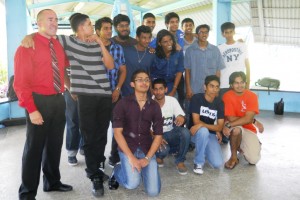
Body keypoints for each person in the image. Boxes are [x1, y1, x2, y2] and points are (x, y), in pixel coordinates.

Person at [14, 9, 72, 199]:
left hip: (58, 99)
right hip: (38, 101)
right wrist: (32, 109)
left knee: (54, 145)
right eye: (50, 19)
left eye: (56, 19)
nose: (54, 22)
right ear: (39, 23)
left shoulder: (58, 44)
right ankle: (27, 193)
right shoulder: (27, 46)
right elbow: (20, 83)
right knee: (34, 149)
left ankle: (52, 182)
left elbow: (64, 67)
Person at [109, 69, 163, 197]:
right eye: (140, 80)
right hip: (128, 147)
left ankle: (147, 170)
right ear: (132, 84)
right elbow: (117, 133)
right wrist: (131, 158)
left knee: (153, 192)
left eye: (146, 80)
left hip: (146, 148)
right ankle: (117, 169)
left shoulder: (154, 106)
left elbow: (158, 135)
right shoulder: (122, 104)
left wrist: (148, 158)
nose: (144, 82)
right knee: (132, 184)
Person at [95, 17, 127, 169]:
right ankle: (99, 158)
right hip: (97, 96)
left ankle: (114, 156)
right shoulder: (91, 47)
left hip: (115, 95)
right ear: (97, 31)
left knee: (117, 127)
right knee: (100, 129)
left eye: (110, 28)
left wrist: (118, 89)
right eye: (105, 28)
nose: (109, 31)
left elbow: (122, 70)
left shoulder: (117, 48)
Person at [222, 71, 263, 170]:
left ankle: (245, 144)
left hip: (248, 129)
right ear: (231, 85)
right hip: (235, 126)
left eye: (242, 82)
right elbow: (231, 118)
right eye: (236, 83)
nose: (240, 85)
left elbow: (248, 118)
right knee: (236, 130)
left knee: (253, 160)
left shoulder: (252, 96)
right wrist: (252, 121)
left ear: (245, 83)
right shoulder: (227, 96)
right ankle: (233, 157)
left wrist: (250, 121)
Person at [152, 78, 190, 175]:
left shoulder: (172, 100)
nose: (158, 92)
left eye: (161, 89)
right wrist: (156, 137)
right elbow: (144, 127)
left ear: (166, 89)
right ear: (152, 91)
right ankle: (159, 156)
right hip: (154, 136)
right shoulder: (148, 103)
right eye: (155, 89)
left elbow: (182, 116)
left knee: (185, 132)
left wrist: (181, 118)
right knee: (164, 150)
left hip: (169, 134)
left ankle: (180, 161)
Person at [189, 75, 225, 175]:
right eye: (211, 86)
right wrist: (203, 126)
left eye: (217, 87)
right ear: (205, 87)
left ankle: (204, 148)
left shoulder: (220, 103)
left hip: (210, 134)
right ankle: (198, 163)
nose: (214, 89)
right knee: (203, 131)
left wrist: (204, 126)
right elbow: (196, 122)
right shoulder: (196, 98)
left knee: (217, 164)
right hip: (195, 133)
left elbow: (220, 126)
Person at [64, 13, 83, 166]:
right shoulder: (67, 44)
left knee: (87, 120)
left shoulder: (90, 42)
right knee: (73, 120)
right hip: (72, 89)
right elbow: (61, 69)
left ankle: (83, 146)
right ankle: (71, 151)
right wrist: (70, 89)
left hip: (88, 89)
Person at [121, 25, 155, 97]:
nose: (147, 41)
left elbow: (150, 74)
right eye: (144, 38)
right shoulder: (125, 51)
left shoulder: (151, 54)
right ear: (137, 38)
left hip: (144, 93)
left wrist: (151, 90)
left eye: (149, 38)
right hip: (127, 93)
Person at [218, 22, 251, 94]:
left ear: (234, 32)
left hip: (240, 84)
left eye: (231, 32)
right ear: (223, 34)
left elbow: (247, 66)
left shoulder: (242, 46)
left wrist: (247, 83)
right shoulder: (219, 48)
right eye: (226, 32)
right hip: (224, 84)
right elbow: (218, 69)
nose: (229, 35)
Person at [151, 29, 184, 97]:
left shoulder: (178, 52)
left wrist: (174, 90)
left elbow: (179, 71)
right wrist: (152, 90)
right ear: (159, 43)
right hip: (156, 87)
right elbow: (149, 73)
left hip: (171, 86)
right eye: (165, 42)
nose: (169, 43)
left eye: (170, 40)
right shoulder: (154, 54)